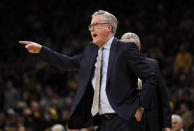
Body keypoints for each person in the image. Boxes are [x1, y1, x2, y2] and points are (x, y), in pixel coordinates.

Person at [19, 10, 156, 131]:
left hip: (125, 119)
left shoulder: (125, 49)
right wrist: (42, 50)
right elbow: (68, 62)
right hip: (102, 120)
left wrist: (141, 106)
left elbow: (150, 77)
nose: (91, 29)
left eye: (96, 25)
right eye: (90, 26)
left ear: (109, 27)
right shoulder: (91, 50)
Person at [121, 32, 171, 131]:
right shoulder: (115, 68)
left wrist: (166, 125)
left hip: (151, 121)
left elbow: (163, 97)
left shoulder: (152, 65)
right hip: (127, 122)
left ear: (138, 48)